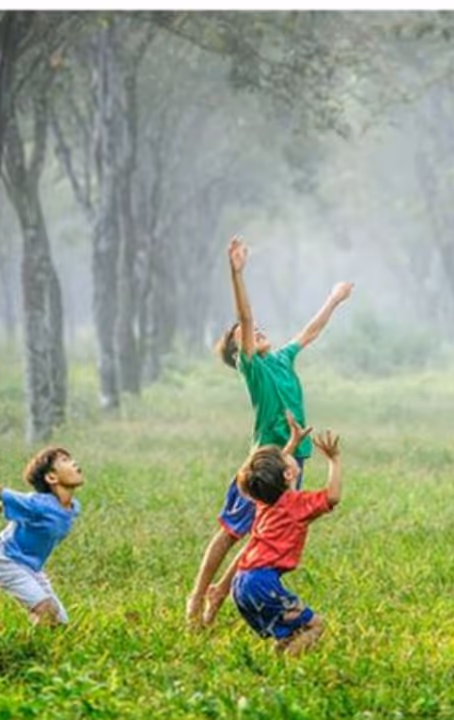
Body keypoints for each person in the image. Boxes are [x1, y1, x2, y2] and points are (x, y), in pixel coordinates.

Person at [185, 234, 353, 628]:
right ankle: (198, 595)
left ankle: (222, 592)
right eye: (244, 333)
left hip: (293, 459)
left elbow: (309, 332)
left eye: (257, 328)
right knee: (230, 531)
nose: (255, 329)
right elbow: (244, 316)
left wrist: (333, 299)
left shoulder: (280, 359)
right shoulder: (253, 368)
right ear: (236, 350)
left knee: (265, 531)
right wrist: (237, 273)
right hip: (264, 464)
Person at [231, 426, 342, 656]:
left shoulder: (264, 500)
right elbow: (332, 496)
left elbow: (272, 472)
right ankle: (288, 671)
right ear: (288, 474)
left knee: (291, 632)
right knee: (314, 625)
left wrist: (292, 442)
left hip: (241, 583)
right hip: (261, 583)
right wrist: (334, 460)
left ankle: (276, 663)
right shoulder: (297, 505)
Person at [0, 447, 84, 625]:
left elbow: (24, 507)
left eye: (71, 458)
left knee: (60, 622)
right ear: (51, 477)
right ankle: (30, 650)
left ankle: (39, 646)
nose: (73, 463)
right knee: (46, 610)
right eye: (65, 461)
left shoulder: (73, 507)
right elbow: (0, 491)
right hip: (7, 562)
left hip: (32, 569)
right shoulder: (38, 504)